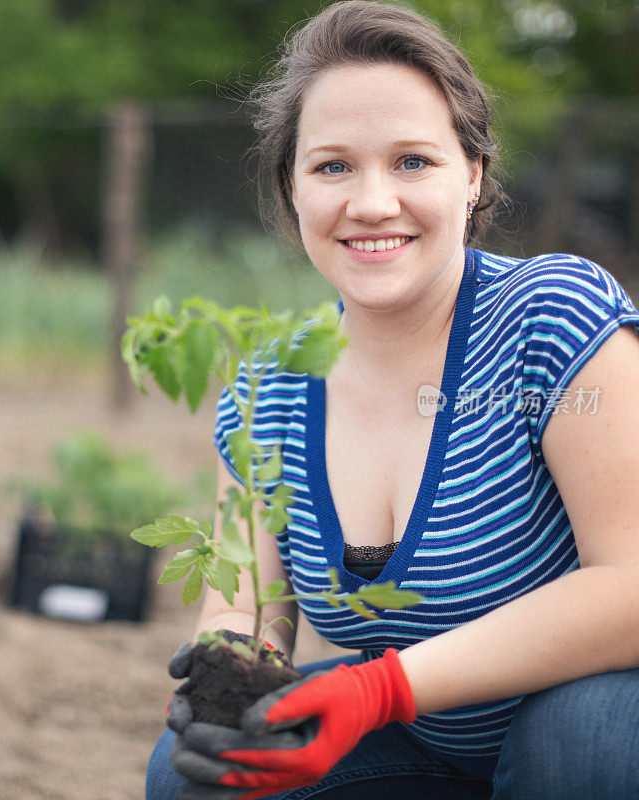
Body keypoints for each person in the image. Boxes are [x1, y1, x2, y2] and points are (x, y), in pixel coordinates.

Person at [146, 2, 639, 798]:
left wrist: (377, 689)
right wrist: (225, 674)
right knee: (196, 772)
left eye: (412, 161)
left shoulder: (552, 318)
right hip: (420, 750)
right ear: (292, 188)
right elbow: (245, 609)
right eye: (333, 166)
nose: (373, 203)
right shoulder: (268, 386)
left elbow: (633, 589)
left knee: (583, 739)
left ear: (472, 175)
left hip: (584, 746)